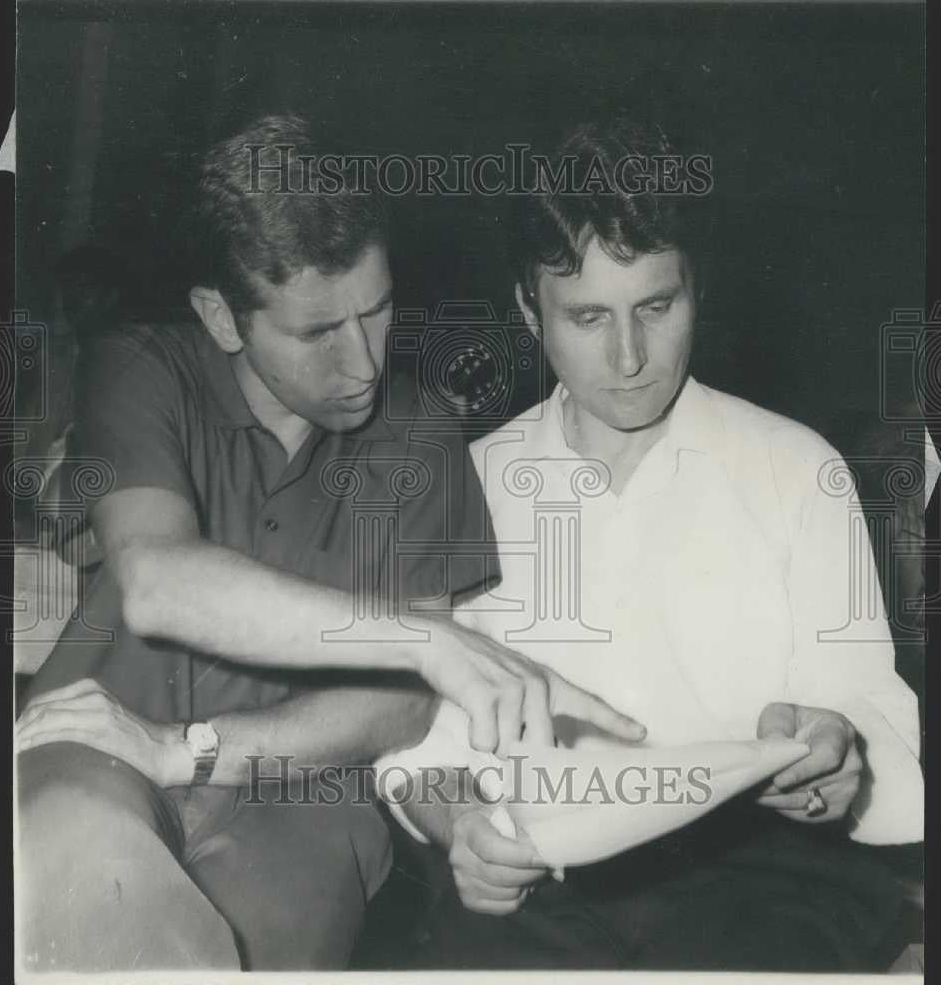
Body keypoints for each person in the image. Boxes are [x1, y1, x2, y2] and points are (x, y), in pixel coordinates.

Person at [14, 114, 641, 972]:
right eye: (316, 334)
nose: (363, 366)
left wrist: (192, 748)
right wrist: (430, 639)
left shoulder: (422, 432)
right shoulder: (142, 366)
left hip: (300, 791)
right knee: (79, 849)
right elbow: (160, 579)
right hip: (97, 742)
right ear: (222, 318)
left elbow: (400, 707)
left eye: (378, 313)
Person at [376, 110, 925, 971]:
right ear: (529, 311)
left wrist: (838, 758)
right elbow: (418, 739)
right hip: (540, 890)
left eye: (657, 306)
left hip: (763, 882)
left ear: (696, 288)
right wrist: (462, 826)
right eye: (588, 317)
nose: (629, 356)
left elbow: (866, 703)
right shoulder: (462, 487)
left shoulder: (797, 468)